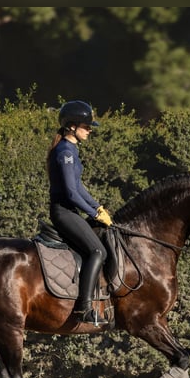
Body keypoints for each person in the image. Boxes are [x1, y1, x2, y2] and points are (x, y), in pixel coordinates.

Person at [46, 100, 113, 325]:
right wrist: (94, 215)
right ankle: (83, 309)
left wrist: (97, 207)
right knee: (97, 251)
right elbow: (71, 193)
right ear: (71, 126)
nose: (90, 130)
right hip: (63, 212)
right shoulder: (65, 151)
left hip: (70, 210)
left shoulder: (71, 149)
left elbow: (80, 188)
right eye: (86, 126)